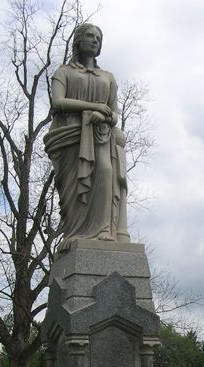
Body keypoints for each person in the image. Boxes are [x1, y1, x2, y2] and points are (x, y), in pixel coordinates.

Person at [44, 23, 130, 251]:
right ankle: (77, 232)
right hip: (70, 135)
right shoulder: (64, 72)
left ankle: (104, 229)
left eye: (98, 38)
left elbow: (113, 114)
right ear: (78, 41)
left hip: (101, 135)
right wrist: (94, 107)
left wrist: (102, 115)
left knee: (105, 171)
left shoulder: (108, 77)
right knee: (76, 187)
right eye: (90, 36)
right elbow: (58, 103)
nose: (94, 41)